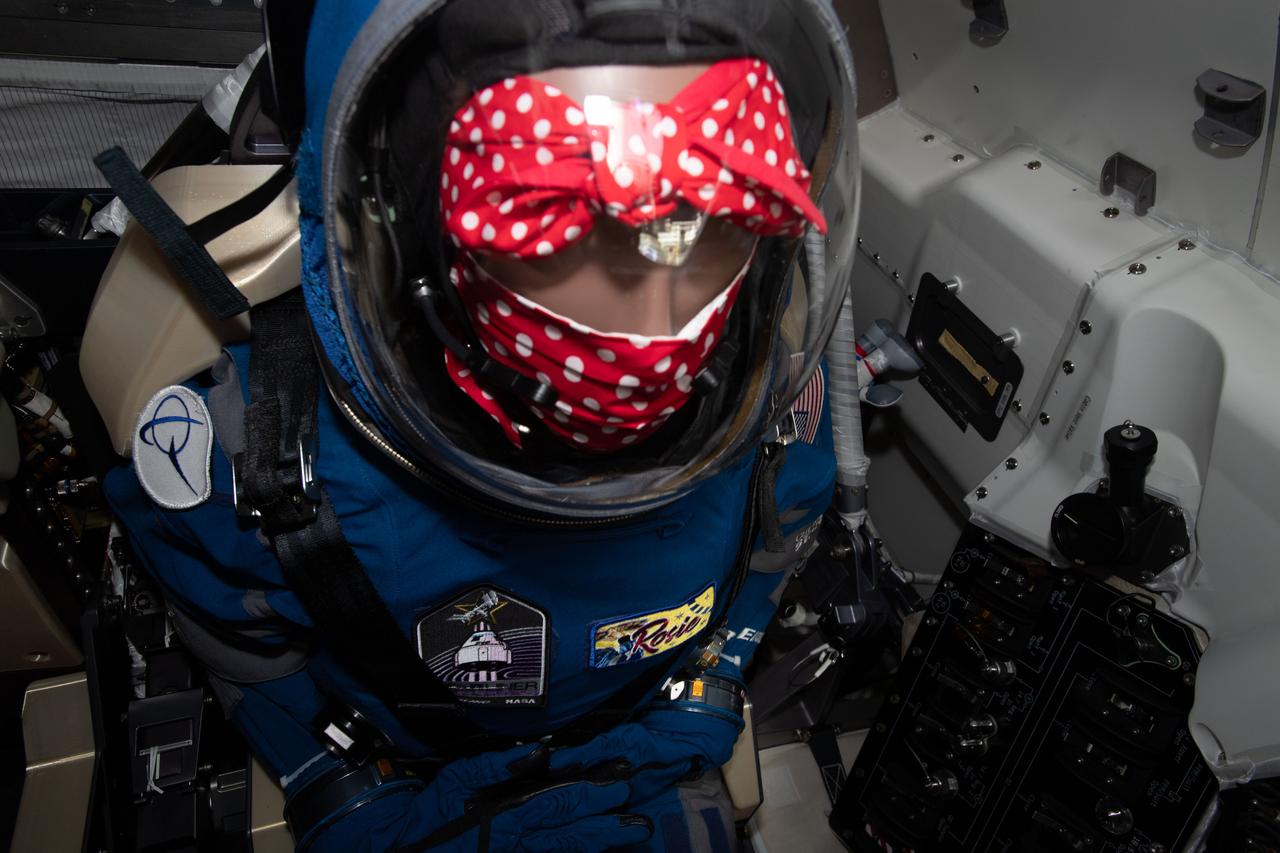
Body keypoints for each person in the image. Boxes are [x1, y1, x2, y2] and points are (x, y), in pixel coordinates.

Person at [102, 0, 862, 849]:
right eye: (552, 218)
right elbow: (227, 620)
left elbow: (774, 539)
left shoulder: (767, 410)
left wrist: (708, 692)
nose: (656, 321)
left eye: (705, 218)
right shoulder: (264, 455)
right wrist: (331, 780)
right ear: (412, 212)